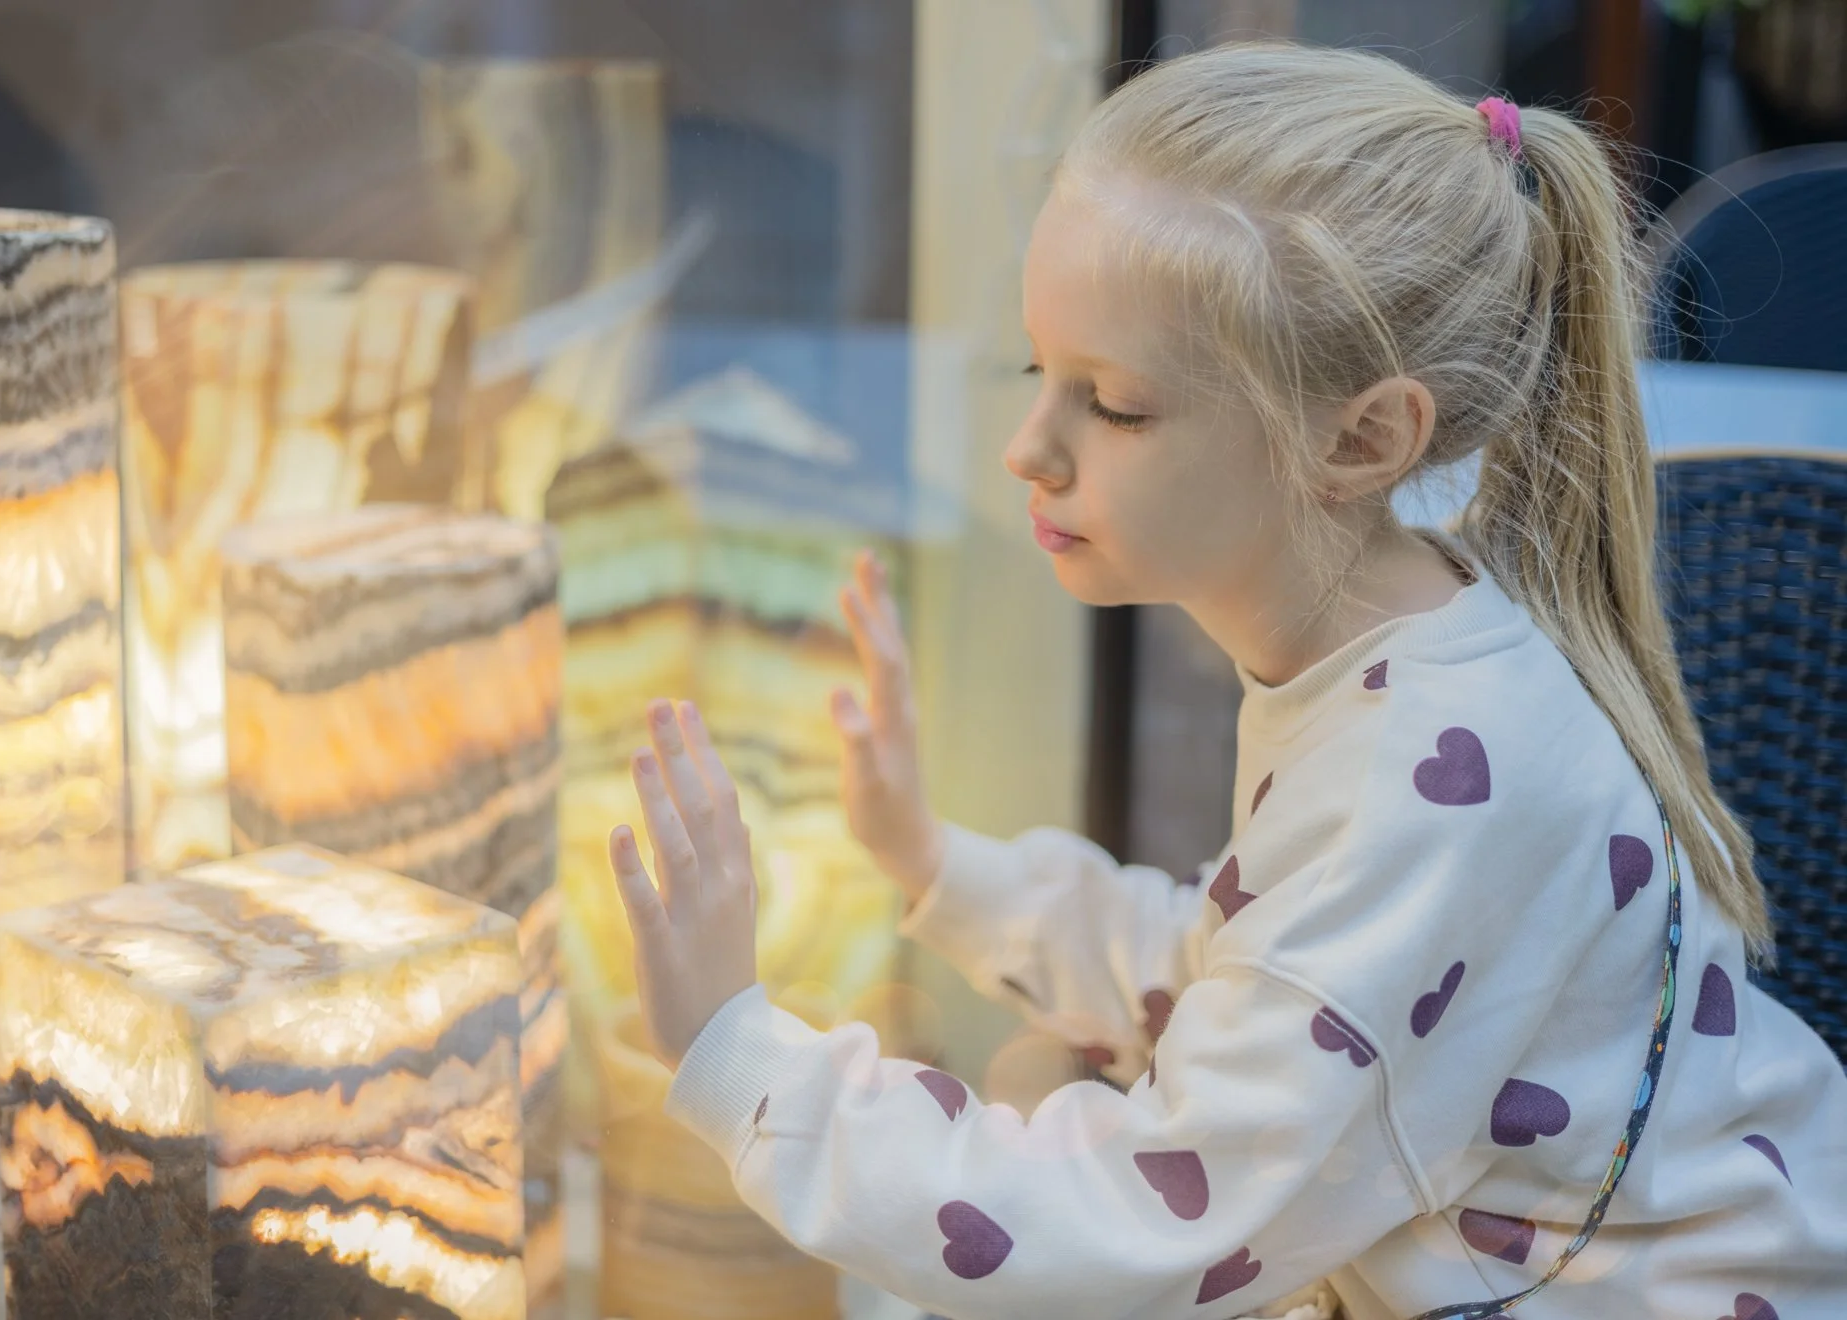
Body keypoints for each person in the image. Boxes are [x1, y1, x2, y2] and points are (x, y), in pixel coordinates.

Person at [602, 41, 1847, 1320]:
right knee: (1041, 1077)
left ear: (1362, 440)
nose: (1032, 450)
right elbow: (1249, 976)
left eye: (1116, 407)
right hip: (1455, 1248)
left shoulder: (1431, 789)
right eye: (1044, 375)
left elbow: (1155, 1227)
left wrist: (737, 1053)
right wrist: (934, 862)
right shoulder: (1394, 656)